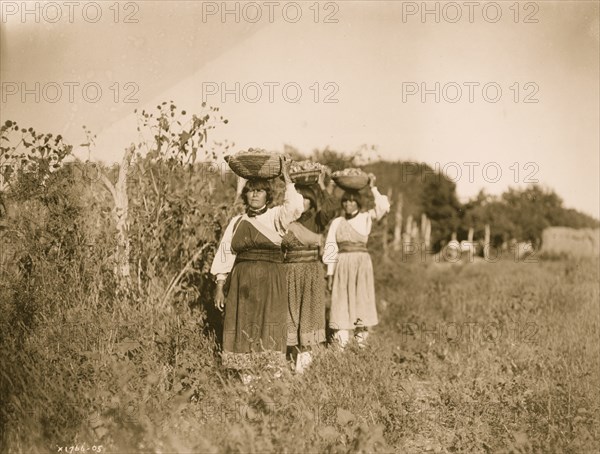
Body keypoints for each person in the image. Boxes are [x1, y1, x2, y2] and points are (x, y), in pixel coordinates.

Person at [210, 159, 304, 383]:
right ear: (246, 195)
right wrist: (220, 286)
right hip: (242, 285)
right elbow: (225, 254)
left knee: (270, 325)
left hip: (271, 281)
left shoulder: (276, 217)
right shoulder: (236, 222)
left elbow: (296, 208)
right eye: (251, 191)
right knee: (244, 327)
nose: (254, 196)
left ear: (267, 195)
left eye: (260, 191)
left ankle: (271, 385)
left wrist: (287, 177)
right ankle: (248, 384)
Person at [323, 174, 390, 348]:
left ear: (358, 203)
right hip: (342, 265)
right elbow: (331, 247)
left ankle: (361, 346)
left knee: (362, 301)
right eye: (345, 201)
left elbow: (384, 206)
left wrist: (373, 187)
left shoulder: (366, 218)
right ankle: (341, 346)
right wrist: (330, 273)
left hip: (362, 265)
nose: (348, 204)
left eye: (352, 201)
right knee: (341, 302)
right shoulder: (337, 222)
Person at [282, 172, 338, 373]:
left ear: (312, 202)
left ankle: (302, 370)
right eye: (299, 198)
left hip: (311, 274)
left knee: (309, 316)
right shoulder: (285, 220)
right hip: (288, 273)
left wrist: (322, 186)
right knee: (289, 317)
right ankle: (286, 364)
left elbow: (331, 208)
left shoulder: (317, 219)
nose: (303, 202)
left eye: (307, 199)